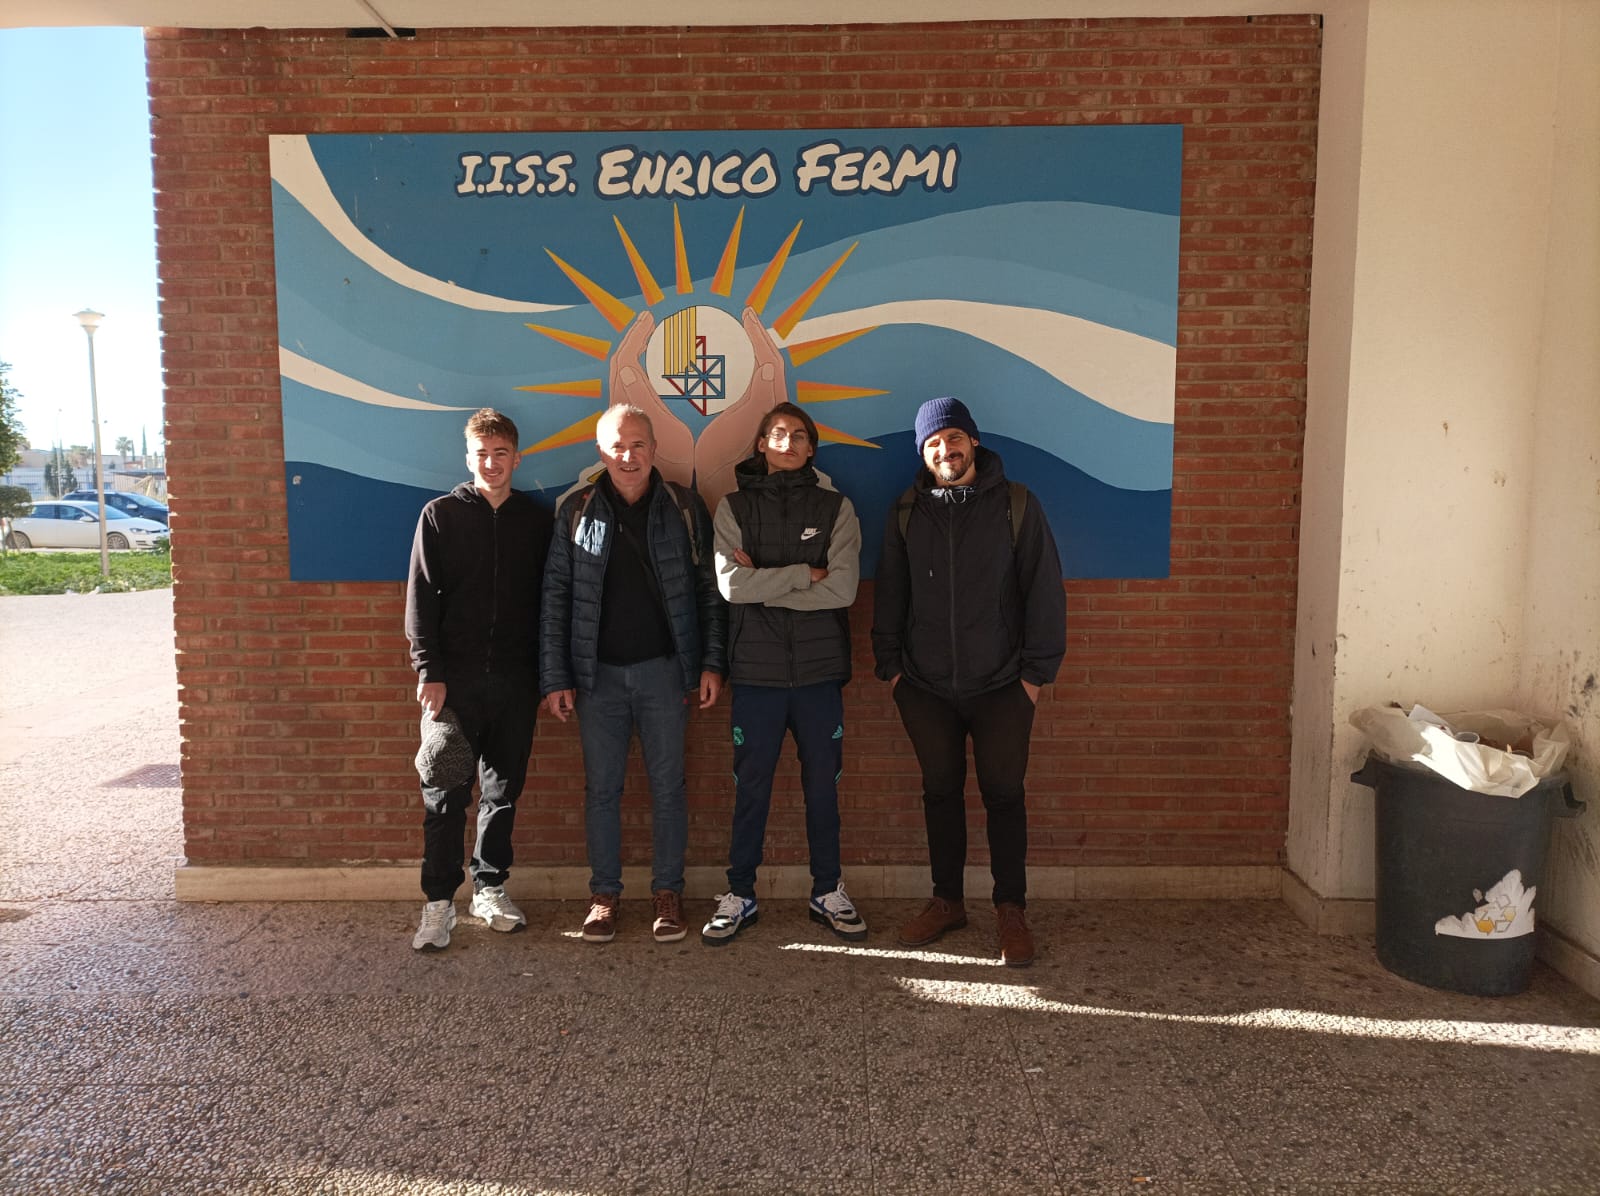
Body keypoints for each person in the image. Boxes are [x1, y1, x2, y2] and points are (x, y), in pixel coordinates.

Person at [871, 396, 1066, 967]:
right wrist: (894, 673)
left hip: (1003, 686)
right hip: (925, 687)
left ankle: (1010, 910)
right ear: (922, 452)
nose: (945, 450)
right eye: (933, 442)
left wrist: (1034, 678)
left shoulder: (1015, 505)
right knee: (940, 793)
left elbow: (1044, 592)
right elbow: (891, 594)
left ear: (973, 442)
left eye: (953, 438)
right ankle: (948, 902)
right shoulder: (906, 511)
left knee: (1004, 795)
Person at [540, 403, 728, 944]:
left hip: (665, 674)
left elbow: (709, 591)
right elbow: (555, 598)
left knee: (669, 788)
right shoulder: (576, 511)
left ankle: (667, 894)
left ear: (653, 449)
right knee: (602, 790)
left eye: (638, 444)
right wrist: (555, 677)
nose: (628, 456)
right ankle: (604, 895)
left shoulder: (683, 507)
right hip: (596, 679)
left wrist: (711, 663)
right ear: (601, 452)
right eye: (617, 446)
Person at [702, 402, 866, 946]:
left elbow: (841, 590)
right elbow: (732, 587)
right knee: (751, 790)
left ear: (811, 448)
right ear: (761, 445)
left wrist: (766, 585)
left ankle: (828, 891)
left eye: (799, 435)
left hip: (820, 675)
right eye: (778, 434)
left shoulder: (837, 507)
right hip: (757, 676)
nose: (788, 442)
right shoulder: (733, 507)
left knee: (823, 790)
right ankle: (739, 894)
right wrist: (804, 574)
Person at [405, 408, 553, 951]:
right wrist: (430, 671)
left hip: (516, 683)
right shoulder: (440, 516)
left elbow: (550, 603)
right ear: (468, 459)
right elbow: (420, 598)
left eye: (500, 454)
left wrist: (548, 676)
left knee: (502, 793)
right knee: (445, 793)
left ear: (517, 458)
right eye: (482, 454)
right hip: (453, 687)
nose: (491, 463)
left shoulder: (536, 521)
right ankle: (439, 902)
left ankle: (489, 888)